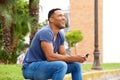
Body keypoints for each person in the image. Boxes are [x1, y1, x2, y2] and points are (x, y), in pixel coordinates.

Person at [22, 8, 86, 80]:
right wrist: (73, 58)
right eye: (60, 16)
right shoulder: (46, 32)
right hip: (30, 68)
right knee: (61, 65)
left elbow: (63, 56)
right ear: (51, 19)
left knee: (76, 65)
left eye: (64, 16)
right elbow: (50, 57)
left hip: (45, 66)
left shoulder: (60, 35)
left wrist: (77, 58)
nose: (64, 18)